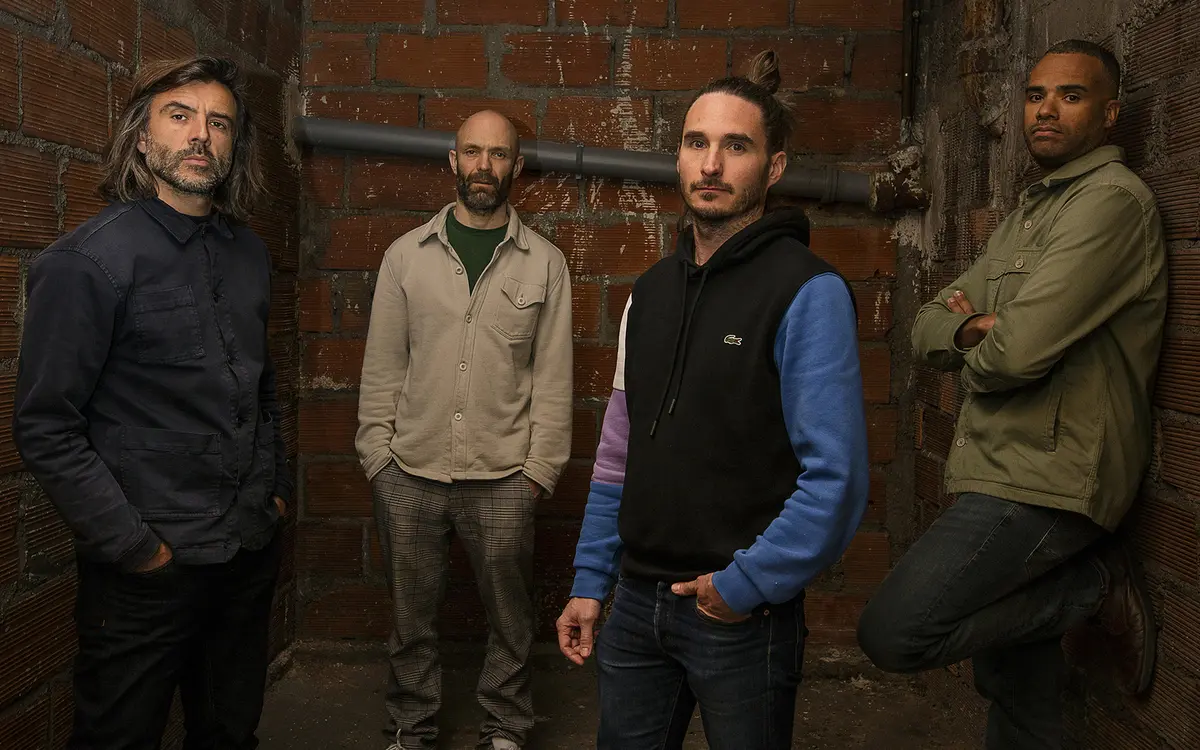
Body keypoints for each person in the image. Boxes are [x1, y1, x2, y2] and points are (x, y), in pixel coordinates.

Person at [856, 39, 1167, 749]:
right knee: (1017, 695)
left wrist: (978, 345)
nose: (1045, 110)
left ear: (1110, 113)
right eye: (1035, 95)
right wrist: (975, 330)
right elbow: (927, 327)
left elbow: (1017, 354)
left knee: (894, 632)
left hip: (1050, 480)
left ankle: (1093, 588)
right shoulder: (1033, 212)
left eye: (1071, 95)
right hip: (1002, 465)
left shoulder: (1111, 204)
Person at [554, 51, 870, 749]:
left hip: (739, 614)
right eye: (696, 143)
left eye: (736, 146)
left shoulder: (807, 292)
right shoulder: (648, 294)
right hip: (636, 605)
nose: (712, 164)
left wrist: (745, 585)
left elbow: (837, 480)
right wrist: (590, 580)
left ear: (774, 167)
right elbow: (617, 456)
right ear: (678, 157)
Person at [13, 56, 290, 749]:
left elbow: (262, 386)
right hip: (147, 569)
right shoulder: (88, 261)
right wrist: (137, 549)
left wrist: (276, 494)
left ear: (234, 145)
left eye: (219, 123)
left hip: (245, 552)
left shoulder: (249, 254)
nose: (201, 135)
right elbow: (46, 426)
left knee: (229, 732)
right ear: (141, 137)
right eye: (179, 116)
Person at [356, 110, 573, 750]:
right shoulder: (405, 257)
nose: (484, 166)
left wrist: (538, 473)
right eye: (472, 152)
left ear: (516, 167)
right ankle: (410, 726)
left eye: (498, 154)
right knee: (410, 619)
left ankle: (505, 727)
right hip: (409, 471)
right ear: (453, 161)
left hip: (505, 477)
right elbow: (383, 367)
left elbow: (553, 378)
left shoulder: (545, 264)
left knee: (510, 618)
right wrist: (377, 459)